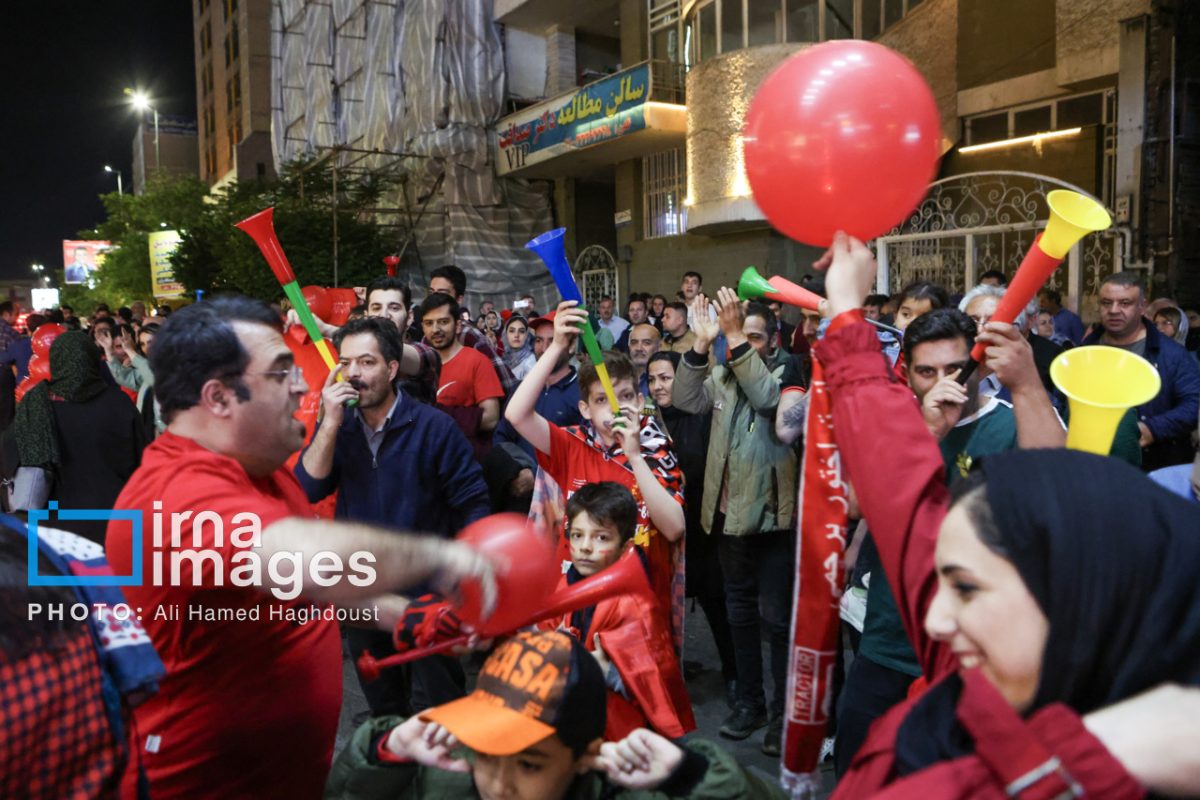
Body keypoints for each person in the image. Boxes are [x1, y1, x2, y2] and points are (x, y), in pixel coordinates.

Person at [810, 232, 1200, 798]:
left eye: (967, 586)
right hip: (881, 648)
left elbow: (904, 492)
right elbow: (897, 492)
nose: (939, 619)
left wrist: (1025, 386)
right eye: (923, 370)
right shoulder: (978, 655)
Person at [105, 296, 498, 799]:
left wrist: (407, 616)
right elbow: (306, 558)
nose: (304, 387)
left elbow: (308, 588)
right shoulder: (173, 496)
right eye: (280, 374)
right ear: (219, 398)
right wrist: (448, 557)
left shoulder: (263, 473)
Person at [326, 629, 786, 799]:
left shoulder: (625, 791)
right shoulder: (444, 774)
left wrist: (692, 775)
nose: (498, 785)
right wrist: (384, 755)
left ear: (586, 755)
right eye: (487, 752)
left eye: (529, 763)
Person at [296, 316, 491, 714]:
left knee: (440, 710)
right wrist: (329, 424)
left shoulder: (434, 427)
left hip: (429, 594)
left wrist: (464, 581)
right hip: (362, 592)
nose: (353, 374)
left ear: (391, 368)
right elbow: (308, 489)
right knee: (384, 710)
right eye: (346, 362)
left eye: (366, 363)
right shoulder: (340, 426)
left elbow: (473, 504)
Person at [505, 303, 685, 642]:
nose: (617, 407)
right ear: (585, 409)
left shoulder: (655, 447)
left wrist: (634, 454)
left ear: (640, 399)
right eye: (603, 400)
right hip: (578, 602)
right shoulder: (572, 444)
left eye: (626, 396)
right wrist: (558, 345)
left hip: (639, 605)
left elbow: (674, 528)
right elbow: (516, 414)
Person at [671, 289, 796, 755]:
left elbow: (767, 400)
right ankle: (750, 702)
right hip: (726, 519)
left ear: (773, 341)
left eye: (755, 337)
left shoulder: (788, 370)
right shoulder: (721, 374)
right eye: (742, 337)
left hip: (772, 520)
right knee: (739, 614)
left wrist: (733, 336)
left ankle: (785, 716)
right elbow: (684, 397)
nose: (745, 344)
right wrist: (702, 345)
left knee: (778, 621)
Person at [540, 482, 695, 740]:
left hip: (619, 732)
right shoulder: (567, 582)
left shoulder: (635, 604)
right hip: (573, 717)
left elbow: (654, 685)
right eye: (577, 535)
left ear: (626, 547)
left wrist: (605, 672)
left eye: (601, 537)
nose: (585, 546)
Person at [649, 351, 737, 704]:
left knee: (717, 602)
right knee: (662, 602)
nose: (657, 386)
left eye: (666, 378)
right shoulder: (647, 421)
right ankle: (668, 675)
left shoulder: (701, 415)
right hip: (664, 526)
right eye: (652, 379)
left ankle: (735, 674)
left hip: (704, 524)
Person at [11, 331, 146, 542]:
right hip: (117, 516)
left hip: (56, 524)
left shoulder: (37, 406)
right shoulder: (118, 403)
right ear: (92, 360)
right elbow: (142, 461)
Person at [1081, 272, 1200, 470]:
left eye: (1125, 303)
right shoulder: (1084, 352)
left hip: (1154, 466)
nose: (1114, 310)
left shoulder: (1171, 354)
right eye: (1106, 303)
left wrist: (1152, 429)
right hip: (1094, 464)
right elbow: (1061, 400)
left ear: (1142, 307)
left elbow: (1193, 404)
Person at [420, 293, 504, 458]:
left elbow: (491, 418)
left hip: (464, 457)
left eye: (443, 322)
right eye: (429, 323)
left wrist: (439, 415)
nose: (435, 329)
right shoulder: (419, 365)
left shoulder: (477, 360)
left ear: (458, 325)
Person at [428, 265, 517, 395]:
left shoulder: (470, 337)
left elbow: (508, 384)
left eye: (442, 294)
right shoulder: (426, 337)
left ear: (459, 299)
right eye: (431, 293)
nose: (434, 300)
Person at [627, 323, 661, 398]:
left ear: (659, 347)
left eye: (646, 343)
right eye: (634, 342)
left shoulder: (664, 380)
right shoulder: (620, 376)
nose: (639, 348)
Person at [501, 314, 536, 381]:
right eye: (512, 331)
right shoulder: (504, 358)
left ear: (527, 335)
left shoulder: (530, 361)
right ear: (505, 335)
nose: (516, 335)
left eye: (521, 331)